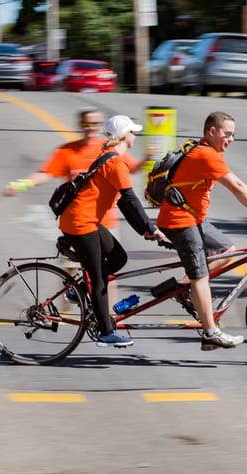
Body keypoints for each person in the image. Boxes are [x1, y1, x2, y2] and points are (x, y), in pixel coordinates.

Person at [157, 111, 247, 351]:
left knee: (228, 251)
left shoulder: (207, 151)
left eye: (233, 135)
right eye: (227, 134)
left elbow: (236, 187)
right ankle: (210, 332)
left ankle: (181, 287)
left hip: (193, 218)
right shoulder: (206, 154)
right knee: (201, 275)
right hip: (180, 220)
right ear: (212, 132)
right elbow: (236, 185)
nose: (231, 139)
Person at [5, 108, 146, 301]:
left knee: (106, 274)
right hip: (80, 221)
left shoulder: (107, 149)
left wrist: (149, 158)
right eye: (87, 124)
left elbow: (131, 168)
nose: (91, 128)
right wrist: (20, 184)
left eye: (95, 124)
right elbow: (46, 173)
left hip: (106, 222)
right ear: (81, 126)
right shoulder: (67, 151)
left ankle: (107, 316)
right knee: (71, 271)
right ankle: (69, 317)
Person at [58, 115, 165, 348]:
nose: (135, 136)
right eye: (133, 132)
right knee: (99, 278)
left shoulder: (111, 158)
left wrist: (145, 230)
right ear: (125, 136)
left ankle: (79, 290)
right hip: (80, 223)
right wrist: (150, 229)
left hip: (87, 220)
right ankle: (106, 332)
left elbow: (125, 204)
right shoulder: (115, 163)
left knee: (118, 257)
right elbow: (130, 200)